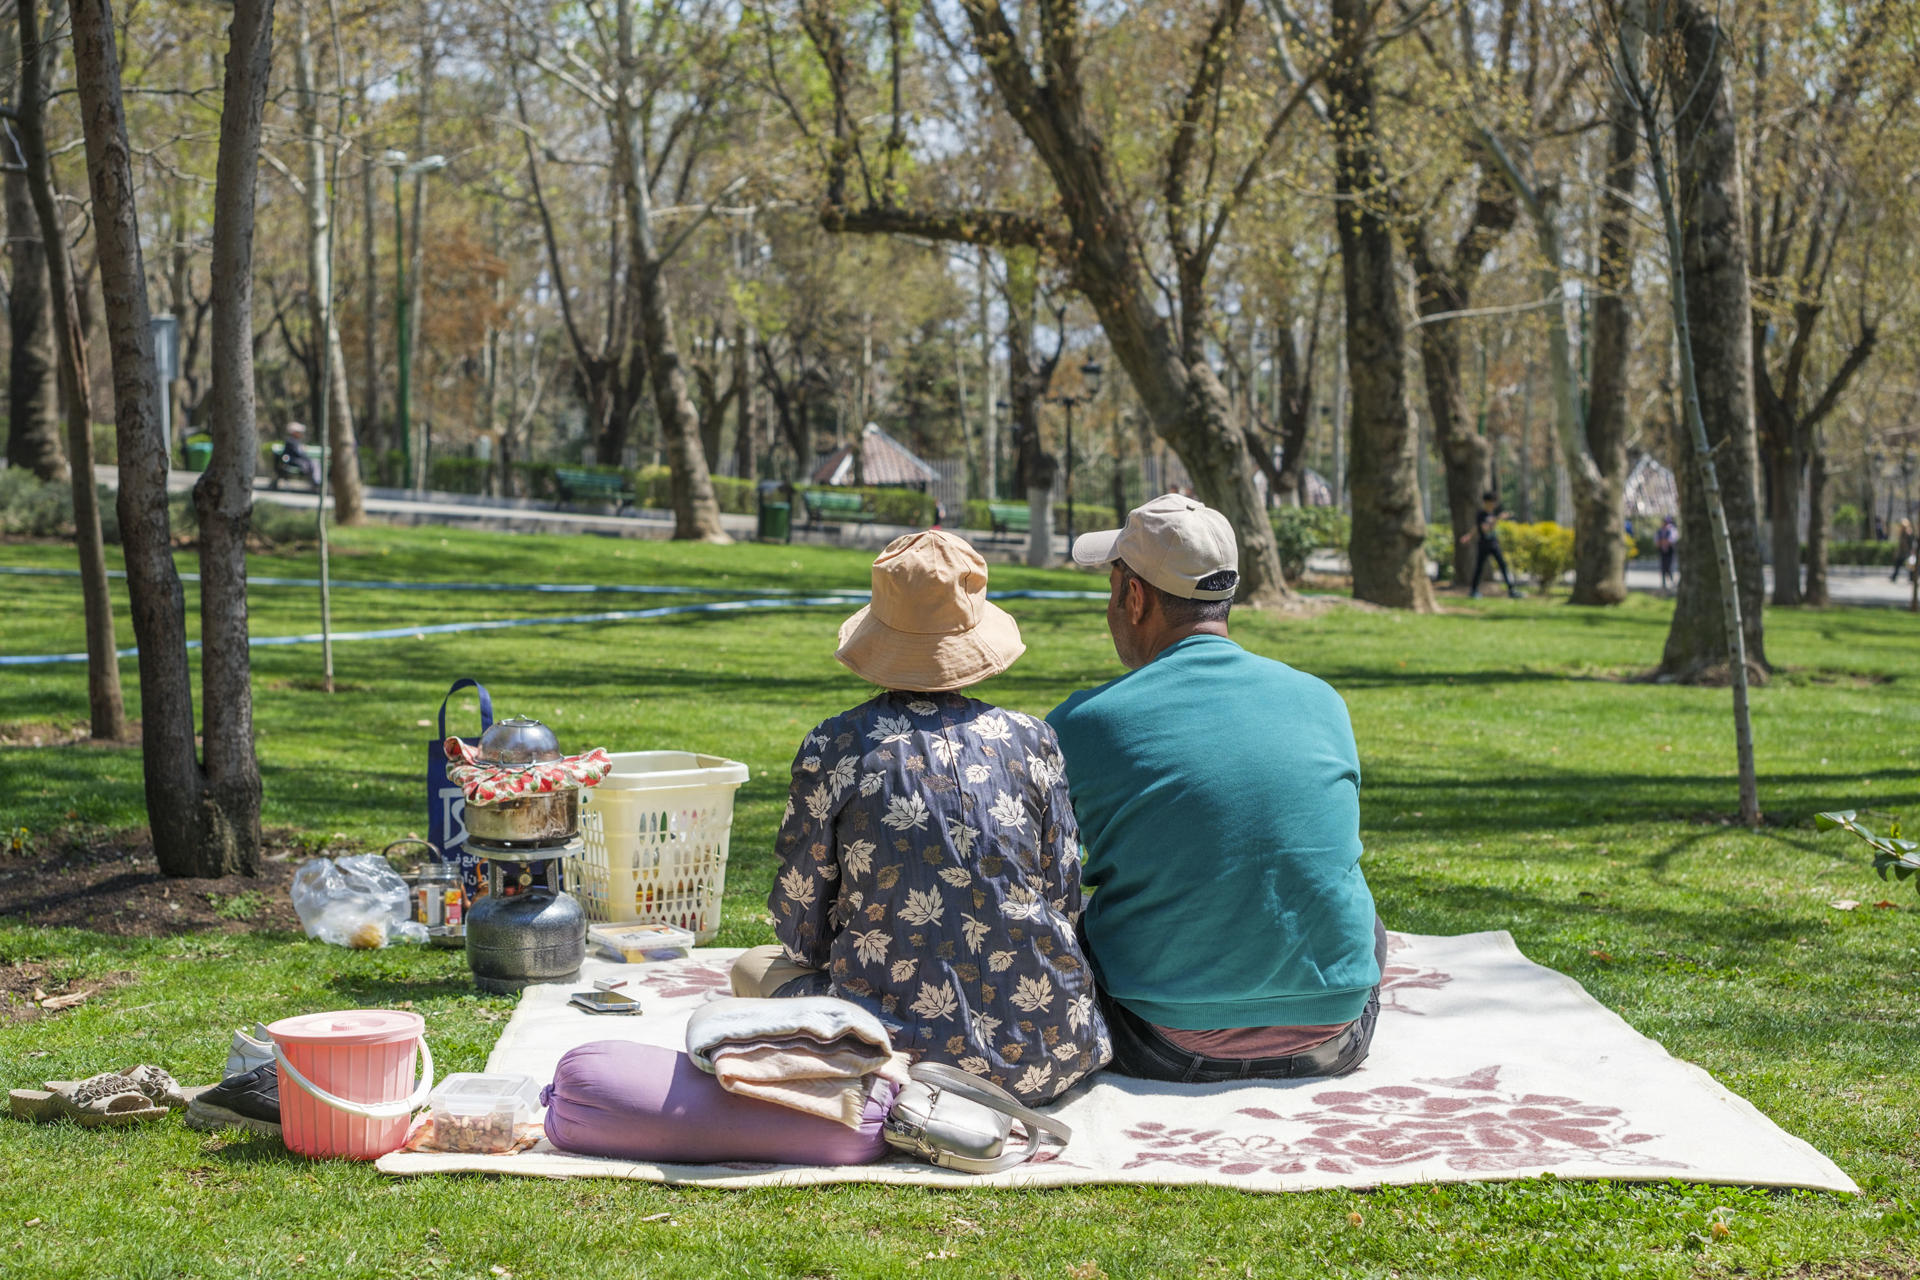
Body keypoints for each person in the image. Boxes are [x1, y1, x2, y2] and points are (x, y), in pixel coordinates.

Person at [734, 529, 1110, 1104]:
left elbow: (800, 920)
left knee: (750, 968)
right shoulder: (1034, 740)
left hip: (891, 1056)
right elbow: (1060, 897)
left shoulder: (837, 744)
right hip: (1047, 1046)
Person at [1047, 495, 1385, 1083]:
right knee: (1363, 913)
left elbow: (1041, 877)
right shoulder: (1322, 700)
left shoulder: (1085, 723)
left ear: (1134, 596)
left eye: (1112, 586)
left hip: (1156, 1041)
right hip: (1337, 1036)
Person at [1459, 490, 1521, 598]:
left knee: (1503, 566)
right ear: (1486, 502)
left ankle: (1511, 590)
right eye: (1492, 502)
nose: (1494, 504)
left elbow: (1478, 528)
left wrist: (1468, 536)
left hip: (1494, 544)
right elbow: (1483, 529)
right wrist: (1497, 519)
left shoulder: (1492, 514)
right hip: (1484, 545)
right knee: (1479, 568)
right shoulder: (1481, 514)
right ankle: (1473, 591)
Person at [281, 422, 320, 487]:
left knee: (314, 462)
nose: (300, 434)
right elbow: (298, 453)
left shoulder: (297, 441)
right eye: (298, 432)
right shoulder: (291, 441)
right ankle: (316, 482)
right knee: (311, 463)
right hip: (294, 461)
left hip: (300, 461)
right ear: (294, 432)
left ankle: (316, 481)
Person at [1656, 515, 1679, 591]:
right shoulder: (1660, 531)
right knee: (1663, 567)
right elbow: (1657, 542)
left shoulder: (1672, 530)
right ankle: (1664, 584)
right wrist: (1662, 542)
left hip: (1670, 551)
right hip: (1662, 551)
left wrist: (1663, 542)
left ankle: (1672, 582)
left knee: (1669, 567)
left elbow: (1671, 540)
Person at [1893, 518, 1913, 585]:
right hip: (1902, 552)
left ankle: (1911, 578)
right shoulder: (1902, 533)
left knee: (1909, 565)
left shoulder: (1908, 532)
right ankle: (1894, 577)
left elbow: (1910, 543)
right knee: (1898, 565)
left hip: (1906, 552)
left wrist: (1910, 551)